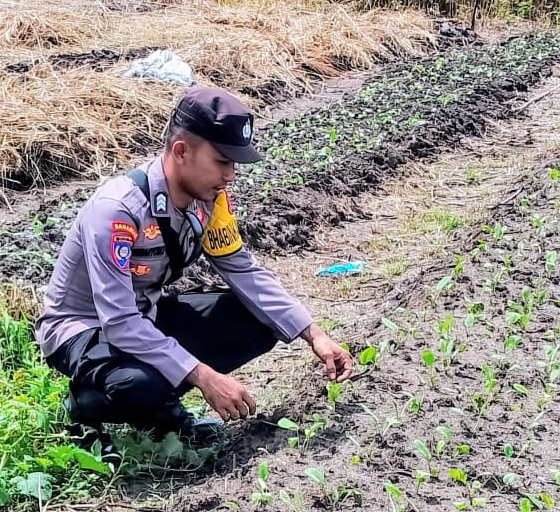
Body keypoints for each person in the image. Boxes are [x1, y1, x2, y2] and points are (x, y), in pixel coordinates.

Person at [35, 86, 353, 453]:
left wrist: (314, 334)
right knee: (139, 384)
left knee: (258, 318)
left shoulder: (210, 201)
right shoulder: (117, 211)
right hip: (85, 330)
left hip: (142, 318)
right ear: (181, 151)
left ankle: (152, 401)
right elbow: (118, 321)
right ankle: (87, 406)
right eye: (222, 161)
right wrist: (203, 376)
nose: (231, 175)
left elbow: (243, 270)